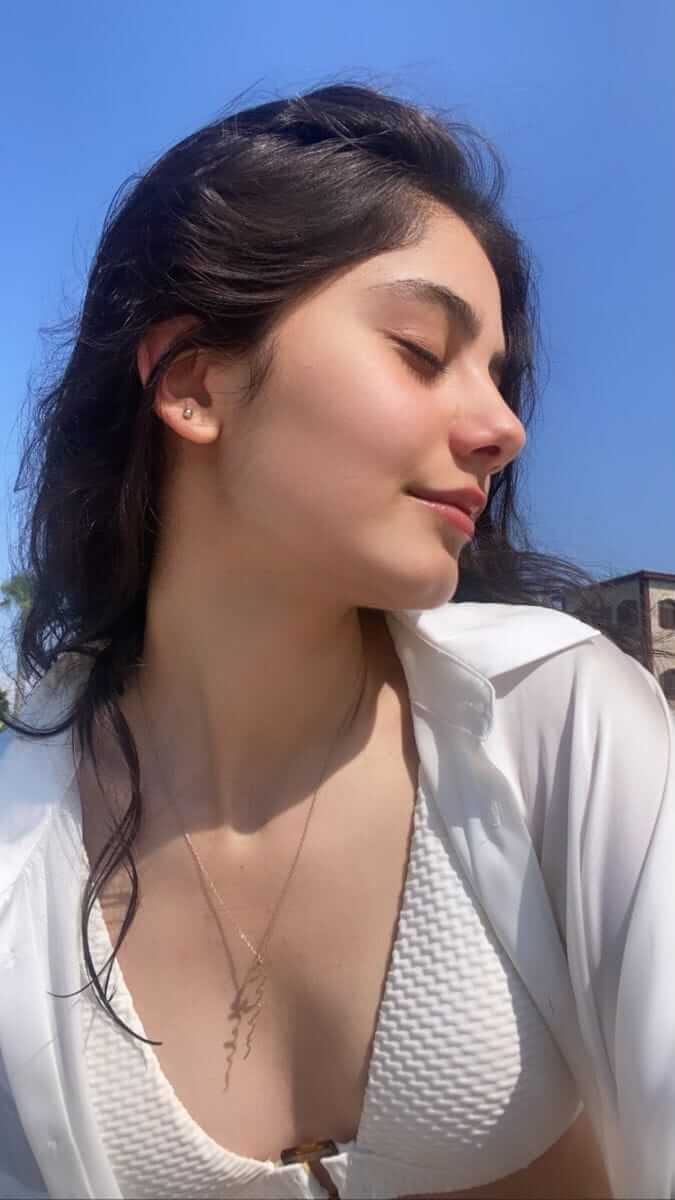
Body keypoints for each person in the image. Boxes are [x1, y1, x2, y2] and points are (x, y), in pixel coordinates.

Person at [1, 80, 673, 1200]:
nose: (505, 428)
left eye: (499, 377)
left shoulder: (554, 721)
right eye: (421, 349)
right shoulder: (22, 837)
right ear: (192, 383)